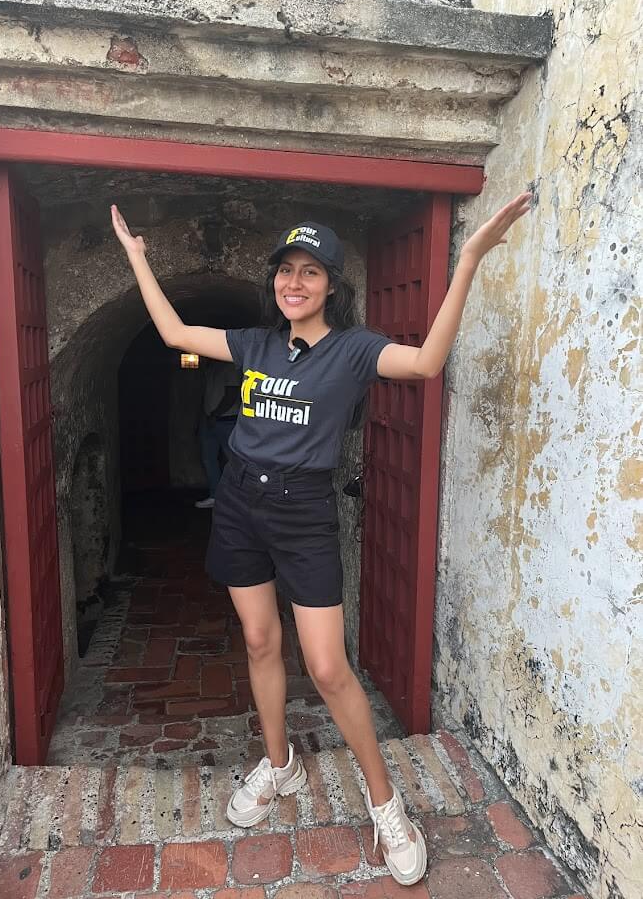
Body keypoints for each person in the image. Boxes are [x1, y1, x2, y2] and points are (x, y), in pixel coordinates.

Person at [111, 194, 531, 886]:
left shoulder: (353, 350)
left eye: (309, 271)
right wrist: (136, 260)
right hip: (242, 497)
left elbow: (426, 362)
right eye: (285, 270)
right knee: (256, 638)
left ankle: (385, 804)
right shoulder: (255, 341)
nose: (293, 283)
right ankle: (281, 766)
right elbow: (177, 332)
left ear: (331, 284)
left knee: (329, 667)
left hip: (303, 508)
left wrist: (467, 260)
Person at [195, 358, 242, 509]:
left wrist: (216, 414)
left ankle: (239, 497)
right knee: (209, 459)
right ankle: (215, 495)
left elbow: (232, 393)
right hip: (211, 419)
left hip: (226, 419)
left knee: (233, 460)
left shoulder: (230, 367)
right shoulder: (210, 368)